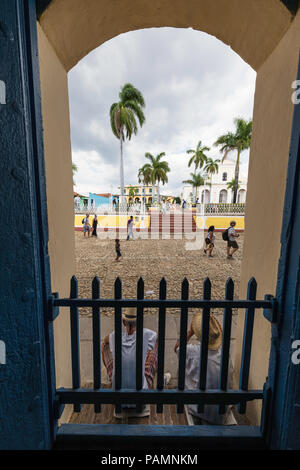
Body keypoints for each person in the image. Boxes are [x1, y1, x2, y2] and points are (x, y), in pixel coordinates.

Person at [174, 313, 237, 426]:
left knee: (182, 366)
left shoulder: (193, 352)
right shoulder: (224, 353)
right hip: (222, 408)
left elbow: (177, 348)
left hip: (202, 409)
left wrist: (189, 333)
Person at [101, 308, 158, 418]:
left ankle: (111, 376)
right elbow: (157, 337)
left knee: (104, 346)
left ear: (123, 322)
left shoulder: (114, 336)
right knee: (155, 346)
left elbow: (105, 341)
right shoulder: (146, 334)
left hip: (118, 398)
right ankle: (154, 377)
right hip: (140, 399)